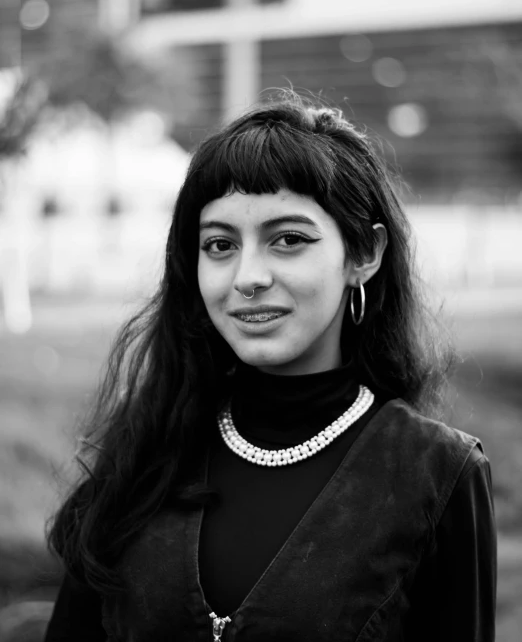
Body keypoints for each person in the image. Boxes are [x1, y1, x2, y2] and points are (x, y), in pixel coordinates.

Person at [43, 93, 496, 642]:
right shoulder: (145, 452)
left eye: (288, 240)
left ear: (363, 255)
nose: (247, 276)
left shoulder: (438, 473)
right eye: (219, 244)